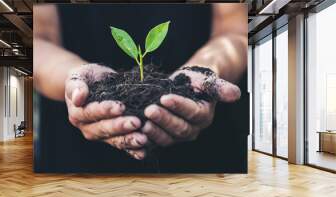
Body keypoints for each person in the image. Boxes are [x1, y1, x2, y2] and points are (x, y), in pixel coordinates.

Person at [34, 3, 248, 172]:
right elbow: (38, 38)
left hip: (206, 154)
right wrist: (74, 78)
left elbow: (236, 28)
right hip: (74, 156)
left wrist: (208, 68)